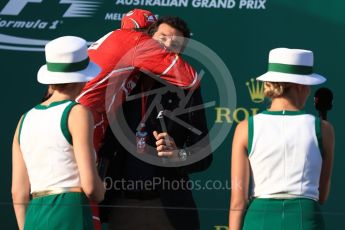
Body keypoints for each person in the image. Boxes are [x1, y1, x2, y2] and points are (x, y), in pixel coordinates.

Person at [100, 16, 212, 230]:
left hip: (168, 207)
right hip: (121, 204)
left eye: (176, 44)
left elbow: (204, 156)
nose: (168, 45)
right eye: (162, 38)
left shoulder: (187, 89)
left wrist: (179, 155)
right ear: (146, 39)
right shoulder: (120, 80)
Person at [229, 48, 335, 230]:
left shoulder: (244, 128)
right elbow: (322, 195)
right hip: (305, 219)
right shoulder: (324, 129)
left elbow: (238, 201)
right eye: (309, 85)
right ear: (301, 86)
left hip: (258, 220)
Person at [11, 36, 105, 230]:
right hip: (70, 214)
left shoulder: (24, 119)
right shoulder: (77, 112)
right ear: (83, 79)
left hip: (34, 218)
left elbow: (18, 193)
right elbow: (90, 187)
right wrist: (101, 190)